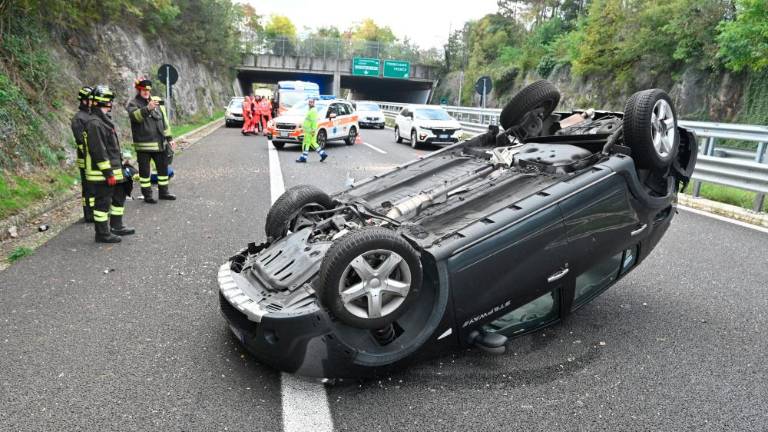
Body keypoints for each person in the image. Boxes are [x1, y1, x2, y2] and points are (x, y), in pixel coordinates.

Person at [84, 85, 135, 243]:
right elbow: (98, 151)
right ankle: (102, 234)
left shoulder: (103, 120)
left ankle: (116, 226)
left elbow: (110, 148)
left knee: (119, 196)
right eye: (110, 101)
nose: (111, 104)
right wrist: (108, 173)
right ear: (105, 102)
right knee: (103, 203)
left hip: (114, 169)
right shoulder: (94, 123)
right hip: (103, 173)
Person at [126, 76, 176, 203]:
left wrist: (169, 138)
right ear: (138, 90)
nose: (146, 92)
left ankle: (164, 192)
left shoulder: (155, 101)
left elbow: (163, 121)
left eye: (148, 90)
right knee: (145, 173)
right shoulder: (133, 103)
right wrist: (147, 108)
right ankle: (147, 195)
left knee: (163, 169)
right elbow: (136, 117)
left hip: (159, 143)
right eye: (143, 90)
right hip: (144, 145)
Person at [71, 85, 94, 223]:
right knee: (87, 188)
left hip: (94, 157)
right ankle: (88, 214)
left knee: (95, 187)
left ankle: (95, 211)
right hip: (85, 159)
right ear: (83, 101)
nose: (92, 102)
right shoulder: (78, 118)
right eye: (89, 100)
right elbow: (80, 140)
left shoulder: (91, 115)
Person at [296, 98, 328, 163]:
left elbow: (314, 122)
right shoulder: (311, 110)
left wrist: (313, 131)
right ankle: (323, 154)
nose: (309, 103)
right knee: (313, 143)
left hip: (309, 131)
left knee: (305, 144)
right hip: (310, 131)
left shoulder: (312, 111)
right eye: (309, 102)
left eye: (311, 102)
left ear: (314, 103)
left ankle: (303, 157)